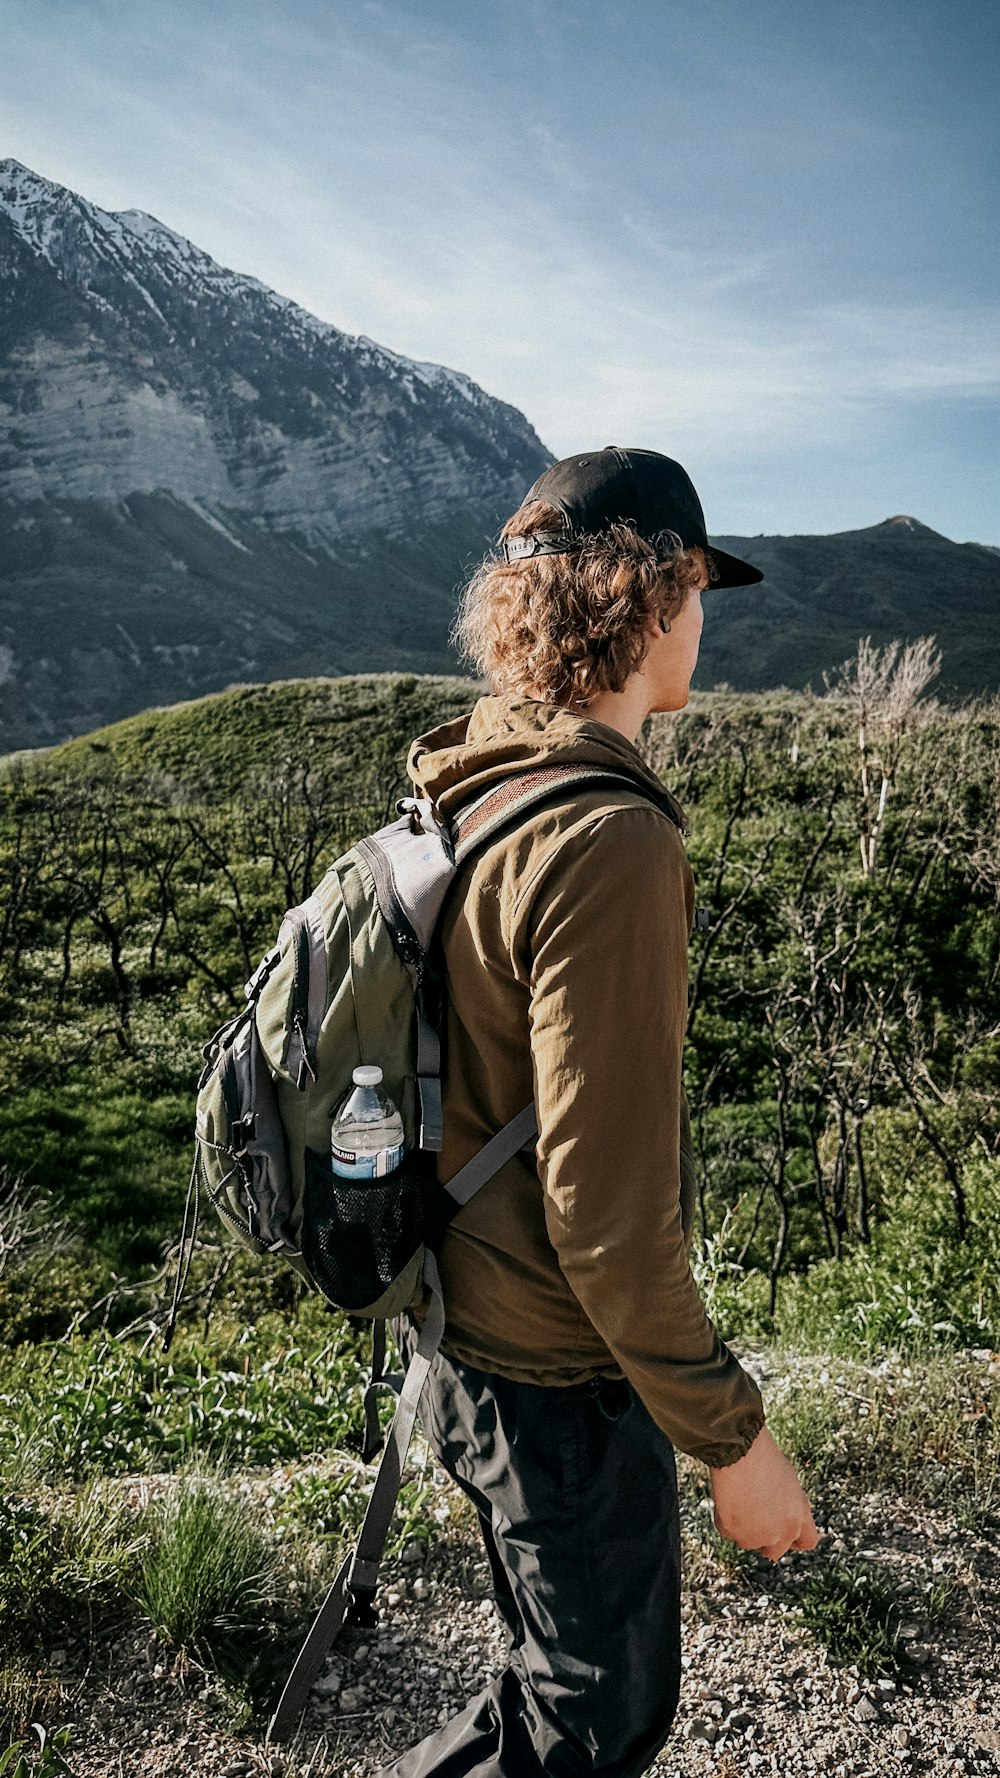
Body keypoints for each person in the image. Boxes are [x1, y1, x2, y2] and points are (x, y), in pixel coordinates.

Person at [379, 447, 818, 1778]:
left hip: (453, 1339)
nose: (706, 618)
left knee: (541, 1691)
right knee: (593, 1722)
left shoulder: (477, 783)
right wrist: (735, 1441)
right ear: (658, 594)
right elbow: (611, 1226)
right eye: (698, 586)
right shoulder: (612, 840)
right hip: (556, 1383)